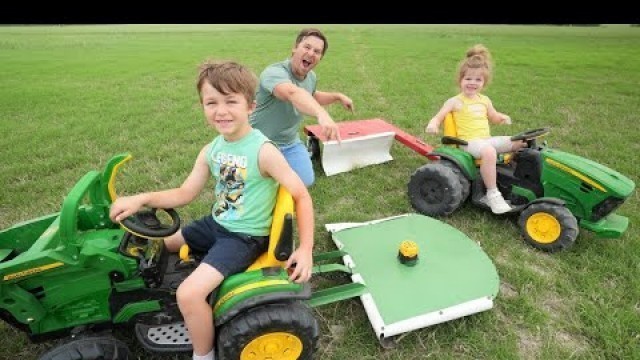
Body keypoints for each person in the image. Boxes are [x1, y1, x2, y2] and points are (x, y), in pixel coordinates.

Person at [109, 60, 315, 360]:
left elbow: (301, 196)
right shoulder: (213, 150)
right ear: (203, 106)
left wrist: (306, 247)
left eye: (231, 101)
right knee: (162, 245)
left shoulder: (263, 151)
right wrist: (141, 199)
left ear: (251, 106)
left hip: (243, 237)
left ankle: (203, 354)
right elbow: (184, 193)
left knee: (188, 294)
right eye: (211, 102)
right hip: (217, 224)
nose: (221, 111)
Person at [424, 44, 525, 214]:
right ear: (460, 80)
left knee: (520, 142)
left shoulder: (484, 100)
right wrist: (433, 124)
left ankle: (516, 181)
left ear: (484, 82)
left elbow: (493, 116)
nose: (472, 83)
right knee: (489, 152)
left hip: (484, 140)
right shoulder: (454, 101)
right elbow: (439, 116)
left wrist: (501, 117)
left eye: (478, 80)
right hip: (468, 143)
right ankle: (492, 194)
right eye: (468, 79)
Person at [250, 27, 354, 187]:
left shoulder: (311, 77)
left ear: (320, 58)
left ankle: (291, 158)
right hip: (259, 143)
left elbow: (311, 95)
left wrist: (337, 97)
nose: (311, 53)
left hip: (289, 142)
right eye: (307, 47)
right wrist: (322, 114)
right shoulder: (274, 73)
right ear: (295, 47)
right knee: (259, 185)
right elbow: (292, 93)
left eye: (317, 51)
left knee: (306, 180)